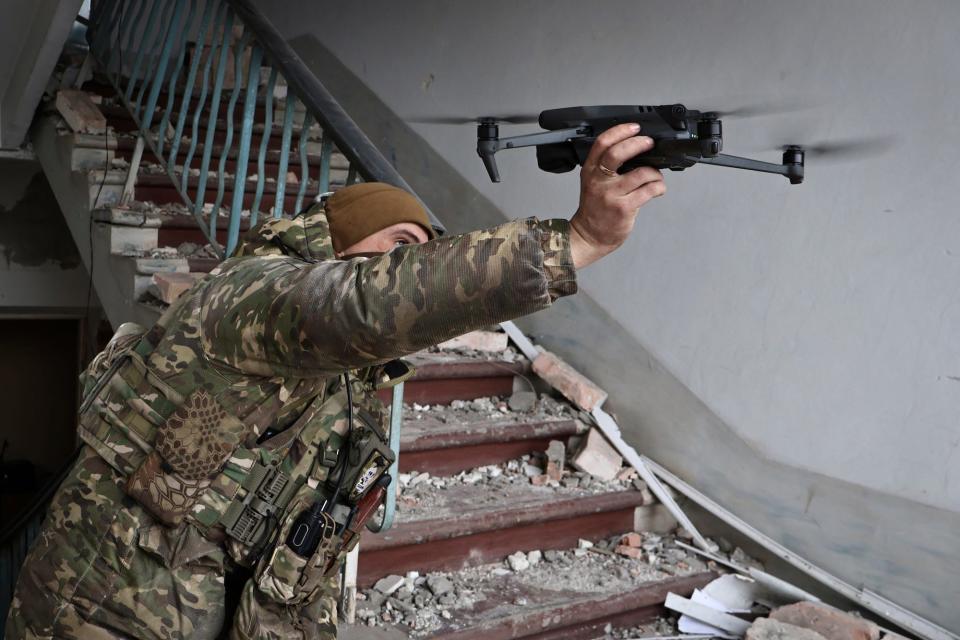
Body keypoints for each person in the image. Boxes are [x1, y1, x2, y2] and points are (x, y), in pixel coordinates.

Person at [5, 124, 664, 639]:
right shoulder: (250, 296)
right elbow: (367, 303)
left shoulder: (347, 392)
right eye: (396, 245)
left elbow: (305, 564)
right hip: (99, 610)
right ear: (332, 244)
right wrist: (574, 240)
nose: (404, 266)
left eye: (417, 254)